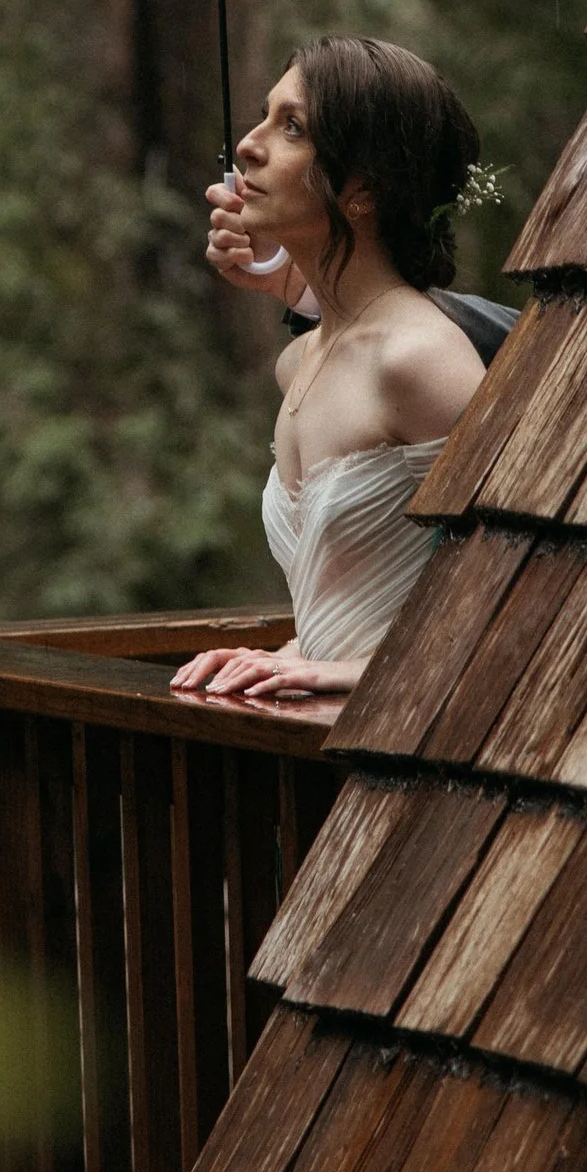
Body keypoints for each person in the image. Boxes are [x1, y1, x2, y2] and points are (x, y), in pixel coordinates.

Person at [171, 37, 486, 709]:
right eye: (263, 116)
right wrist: (287, 655)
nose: (247, 146)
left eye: (292, 128)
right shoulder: (300, 360)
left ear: (363, 189)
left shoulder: (418, 360)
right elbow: (373, 591)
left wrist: (366, 672)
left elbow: (518, 583)